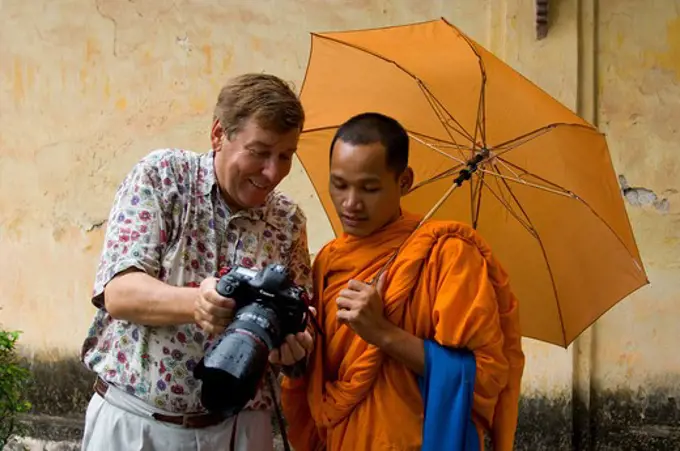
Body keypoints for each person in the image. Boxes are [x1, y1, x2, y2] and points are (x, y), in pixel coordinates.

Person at [79, 73, 315, 451]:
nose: (273, 173)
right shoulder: (164, 177)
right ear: (219, 134)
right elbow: (120, 293)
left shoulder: (288, 220)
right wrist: (199, 303)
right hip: (138, 424)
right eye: (259, 152)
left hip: (241, 429)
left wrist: (294, 345)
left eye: (286, 156)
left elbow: (302, 318)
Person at [280, 112, 526, 450]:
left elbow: (483, 376)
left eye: (369, 188)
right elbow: (321, 375)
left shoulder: (448, 255)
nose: (350, 203)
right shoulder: (329, 259)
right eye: (339, 184)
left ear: (404, 181)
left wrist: (382, 333)